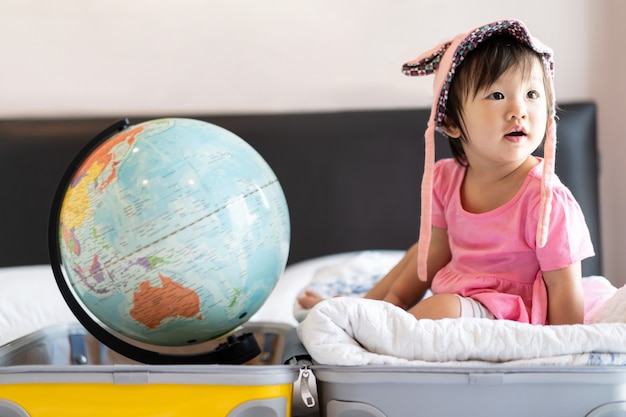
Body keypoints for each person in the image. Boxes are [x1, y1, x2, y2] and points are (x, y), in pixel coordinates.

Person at [297, 19, 594, 325]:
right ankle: (364, 317)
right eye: (497, 95)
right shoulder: (446, 180)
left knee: (438, 311)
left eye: (532, 95)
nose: (519, 110)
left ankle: (388, 327)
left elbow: (564, 286)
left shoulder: (546, 200)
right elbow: (429, 254)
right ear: (451, 123)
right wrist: (379, 304)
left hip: (512, 316)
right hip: (461, 302)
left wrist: (565, 352)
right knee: (429, 299)